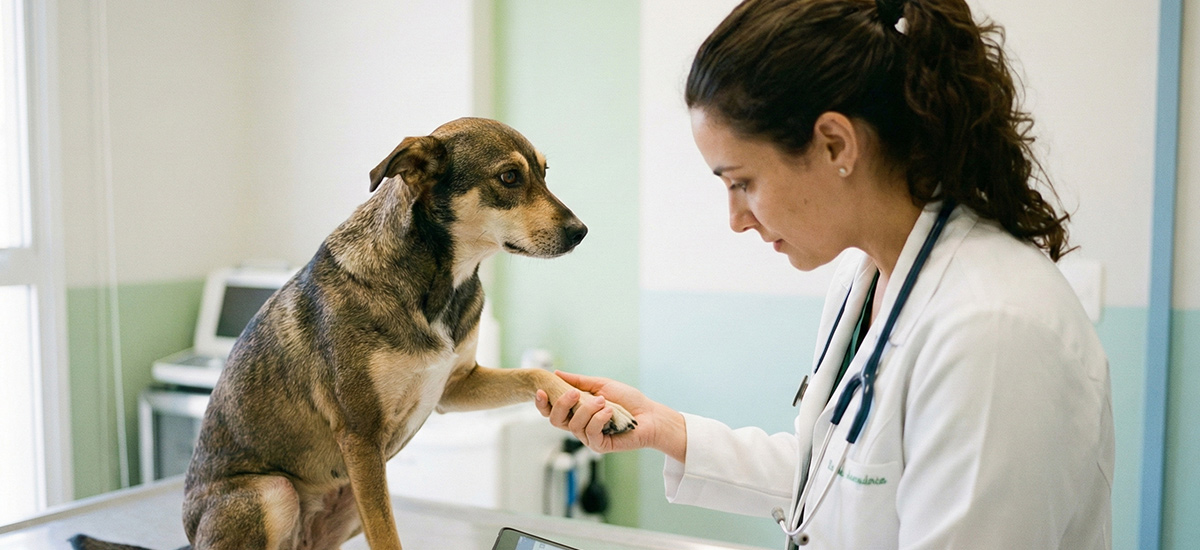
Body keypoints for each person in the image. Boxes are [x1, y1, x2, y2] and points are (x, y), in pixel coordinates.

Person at [534, 0, 1115, 548]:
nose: (736, 220)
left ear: (836, 143)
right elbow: (842, 479)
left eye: (742, 182)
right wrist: (667, 429)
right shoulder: (868, 278)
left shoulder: (992, 332)